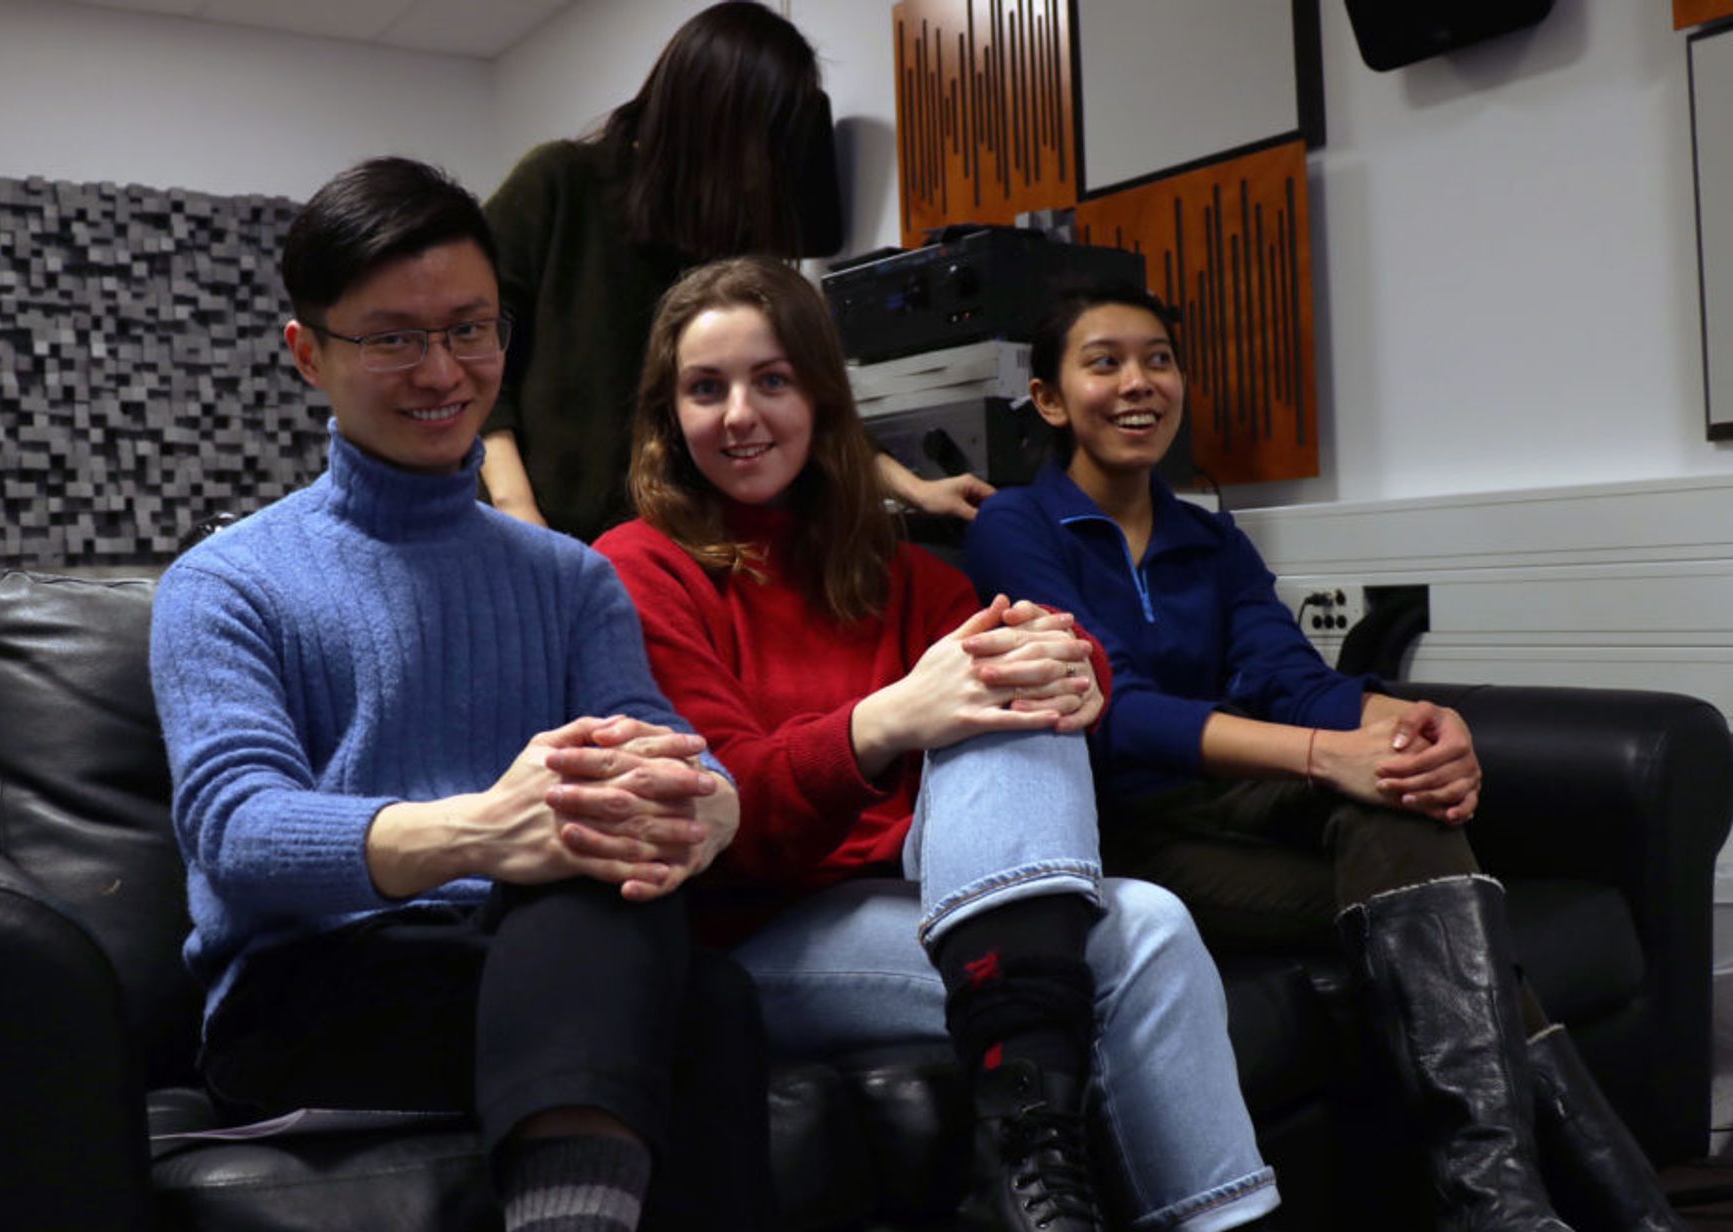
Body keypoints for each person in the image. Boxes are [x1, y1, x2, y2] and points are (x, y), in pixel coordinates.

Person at [965, 281, 1684, 1232]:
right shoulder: (1015, 528)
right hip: (1118, 830)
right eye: (1104, 362)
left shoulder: (1211, 538)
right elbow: (1111, 709)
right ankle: (1595, 1210)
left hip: (1228, 803)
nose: (1139, 383)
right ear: (1052, 400)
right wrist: (1322, 756)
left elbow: (1289, 674)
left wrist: (1408, 720)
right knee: (1456, 938)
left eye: (1159, 359)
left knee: (1406, 833)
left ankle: (1499, 1206)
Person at [148, 156, 771, 1232]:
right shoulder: (226, 584)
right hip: (310, 984)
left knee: (658, 942)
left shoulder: (571, 578)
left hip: (529, 956)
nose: (442, 370)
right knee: (669, 979)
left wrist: (709, 800)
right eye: (393, 337)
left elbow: (661, 743)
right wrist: (488, 829)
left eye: (471, 329)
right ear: (307, 355)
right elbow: (237, 829)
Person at [595, 256, 1279, 1232]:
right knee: (982, 707)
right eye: (707, 389)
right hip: (756, 930)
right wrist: (891, 719)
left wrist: (1078, 664)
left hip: (939, 885)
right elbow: (722, 810)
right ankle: (1030, 1125)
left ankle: (1054, 1166)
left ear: (824, 399)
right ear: (670, 414)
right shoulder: (634, 569)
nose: (740, 413)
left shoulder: (901, 570)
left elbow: (1032, 662)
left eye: (772, 380)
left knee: (1147, 904)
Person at [481, 0, 987, 542]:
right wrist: (519, 514)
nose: (768, 173)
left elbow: (803, 404)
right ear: (711, 119)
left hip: (677, 547)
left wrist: (915, 488)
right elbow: (476, 363)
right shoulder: (558, 185)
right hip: (549, 539)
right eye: (764, 145)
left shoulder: (729, 245)